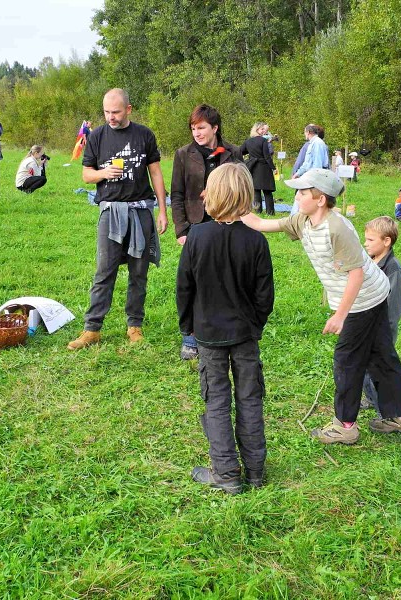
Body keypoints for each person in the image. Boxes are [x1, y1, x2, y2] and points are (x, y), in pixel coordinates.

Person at [242, 168, 401, 444]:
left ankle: (345, 426)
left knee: (347, 361)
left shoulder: (337, 228)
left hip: (364, 299)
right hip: (366, 296)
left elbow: (357, 274)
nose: (297, 196)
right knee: (381, 355)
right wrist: (234, 206)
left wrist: (340, 315)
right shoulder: (302, 219)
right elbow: (264, 224)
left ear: (321, 199)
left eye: (302, 192)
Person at [176, 163, 274, 494]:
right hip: (243, 335)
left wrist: (188, 326)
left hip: (209, 335)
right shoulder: (256, 241)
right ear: (246, 195)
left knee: (216, 399)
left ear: (211, 196)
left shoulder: (196, 238)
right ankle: (254, 471)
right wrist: (255, 325)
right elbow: (265, 297)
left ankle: (227, 473)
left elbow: (183, 290)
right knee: (249, 397)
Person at [67, 88, 169, 350]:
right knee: (104, 270)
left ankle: (134, 325)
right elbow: (86, 175)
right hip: (110, 212)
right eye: (106, 112)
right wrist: (103, 173)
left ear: (129, 109)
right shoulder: (98, 136)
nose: (110, 117)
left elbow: (156, 173)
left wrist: (162, 210)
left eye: (116, 112)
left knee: (139, 272)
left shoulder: (144, 134)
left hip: (140, 211)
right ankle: (92, 329)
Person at [171, 104, 242, 360]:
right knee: (194, 281)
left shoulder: (233, 152)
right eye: (193, 128)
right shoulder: (183, 154)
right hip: (196, 227)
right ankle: (190, 336)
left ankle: (228, 329)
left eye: (201, 128)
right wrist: (181, 230)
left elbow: (245, 187)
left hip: (230, 223)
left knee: (228, 277)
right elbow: (176, 195)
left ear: (214, 127)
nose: (196, 133)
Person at [361, 217, 401, 413]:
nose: (365, 243)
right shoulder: (370, 261)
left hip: (382, 329)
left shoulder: (392, 268)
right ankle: (372, 399)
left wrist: (383, 332)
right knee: (362, 367)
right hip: (366, 325)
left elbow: (393, 306)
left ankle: (388, 413)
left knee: (377, 371)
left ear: (386, 241)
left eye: (370, 240)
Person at [240, 122, 277, 215]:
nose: (264, 131)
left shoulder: (248, 141)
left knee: (256, 190)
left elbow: (240, 151)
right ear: (257, 130)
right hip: (264, 167)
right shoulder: (263, 141)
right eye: (262, 129)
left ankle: (258, 211)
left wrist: (250, 156)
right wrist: (273, 168)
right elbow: (267, 156)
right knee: (267, 191)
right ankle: (270, 212)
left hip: (253, 167)